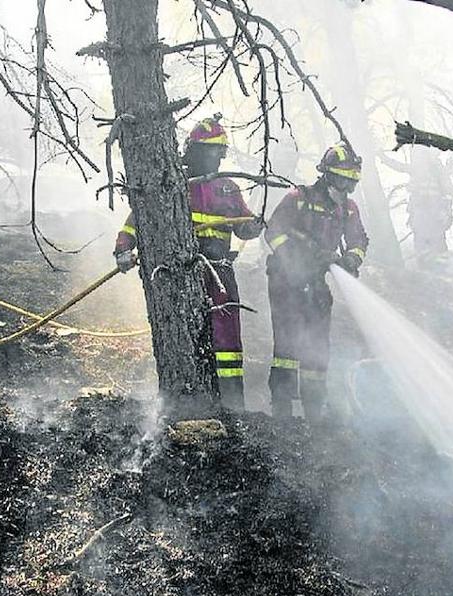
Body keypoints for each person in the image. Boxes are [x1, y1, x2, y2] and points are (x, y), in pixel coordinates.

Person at [112, 116, 263, 409]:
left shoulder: (228, 187)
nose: (218, 157)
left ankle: (233, 405)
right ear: (194, 150)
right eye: (212, 150)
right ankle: (188, 403)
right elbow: (136, 221)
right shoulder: (173, 183)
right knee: (187, 333)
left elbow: (242, 225)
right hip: (181, 270)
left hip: (219, 270)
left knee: (227, 336)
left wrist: (255, 226)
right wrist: (123, 249)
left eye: (221, 151)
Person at [263, 143, 368, 420]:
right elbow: (274, 231)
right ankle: (282, 410)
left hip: (316, 281)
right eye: (342, 180)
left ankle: (314, 411)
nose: (345, 189)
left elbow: (358, 241)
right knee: (286, 343)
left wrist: (351, 260)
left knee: (318, 345)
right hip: (286, 280)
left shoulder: (348, 209)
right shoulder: (299, 197)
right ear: (328, 175)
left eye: (351, 183)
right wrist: (294, 261)